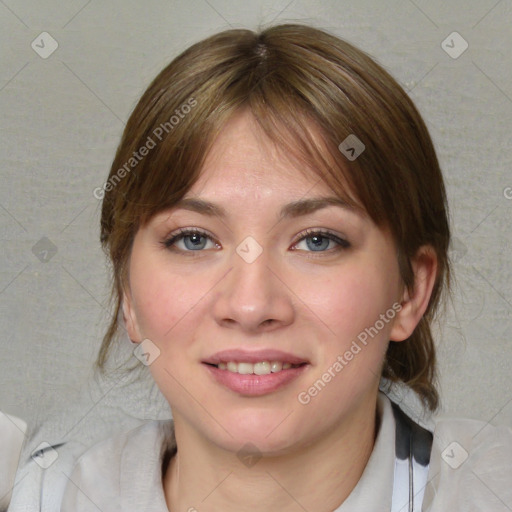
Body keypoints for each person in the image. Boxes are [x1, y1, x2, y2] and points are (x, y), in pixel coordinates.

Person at [60, 24, 512, 511]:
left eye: (317, 241)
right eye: (193, 239)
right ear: (127, 291)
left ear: (410, 291)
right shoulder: (38, 493)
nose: (251, 306)